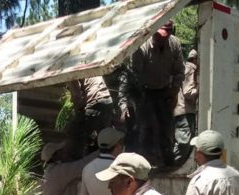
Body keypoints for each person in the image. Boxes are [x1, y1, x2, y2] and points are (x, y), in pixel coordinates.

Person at [118, 21, 184, 167]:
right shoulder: (142, 47)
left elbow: (179, 71)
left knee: (166, 129)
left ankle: (167, 163)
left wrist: (174, 92)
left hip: (164, 90)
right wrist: (125, 104)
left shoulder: (174, 45)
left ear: (170, 34)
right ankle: (144, 165)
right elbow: (130, 78)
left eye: (163, 36)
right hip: (144, 91)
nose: (158, 38)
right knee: (145, 128)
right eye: (156, 35)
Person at [67, 76, 116, 152]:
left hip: (96, 101)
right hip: (107, 101)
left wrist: (77, 114)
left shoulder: (70, 73)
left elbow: (77, 97)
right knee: (103, 136)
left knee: (76, 132)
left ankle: (79, 158)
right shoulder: (89, 67)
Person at [173, 49, 199, 164]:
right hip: (185, 111)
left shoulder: (184, 67)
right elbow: (188, 93)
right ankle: (169, 164)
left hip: (180, 111)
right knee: (183, 144)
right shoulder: (191, 68)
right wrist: (200, 88)